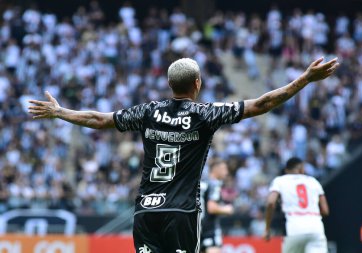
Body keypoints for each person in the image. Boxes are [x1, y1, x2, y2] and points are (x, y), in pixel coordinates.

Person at [28, 57, 339, 253]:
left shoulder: (147, 111)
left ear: (168, 84)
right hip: (182, 213)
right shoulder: (205, 114)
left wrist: (59, 111)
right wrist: (304, 80)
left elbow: (99, 120)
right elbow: (263, 103)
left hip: (146, 212)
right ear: (197, 84)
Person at [264, 157, 330, 253]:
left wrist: (267, 228)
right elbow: (325, 210)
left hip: (294, 228)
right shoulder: (313, 181)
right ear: (302, 169)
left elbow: (270, 202)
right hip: (316, 228)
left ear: (286, 170)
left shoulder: (280, 181)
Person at [200, 159, 233, 253]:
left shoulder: (202, 183)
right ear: (215, 169)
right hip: (210, 230)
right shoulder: (215, 184)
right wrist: (227, 209)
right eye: (224, 169)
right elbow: (211, 208)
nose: (226, 172)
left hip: (197, 227)